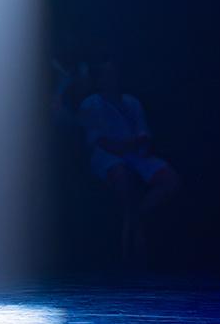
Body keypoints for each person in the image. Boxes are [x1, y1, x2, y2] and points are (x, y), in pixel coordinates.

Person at [77, 59, 181, 264]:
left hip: (136, 153)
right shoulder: (91, 104)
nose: (112, 78)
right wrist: (124, 146)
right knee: (122, 175)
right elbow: (99, 140)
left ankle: (136, 219)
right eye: (106, 74)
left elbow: (144, 134)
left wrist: (135, 146)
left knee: (170, 179)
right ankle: (132, 239)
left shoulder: (132, 102)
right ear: (99, 79)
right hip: (106, 156)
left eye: (114, 73)